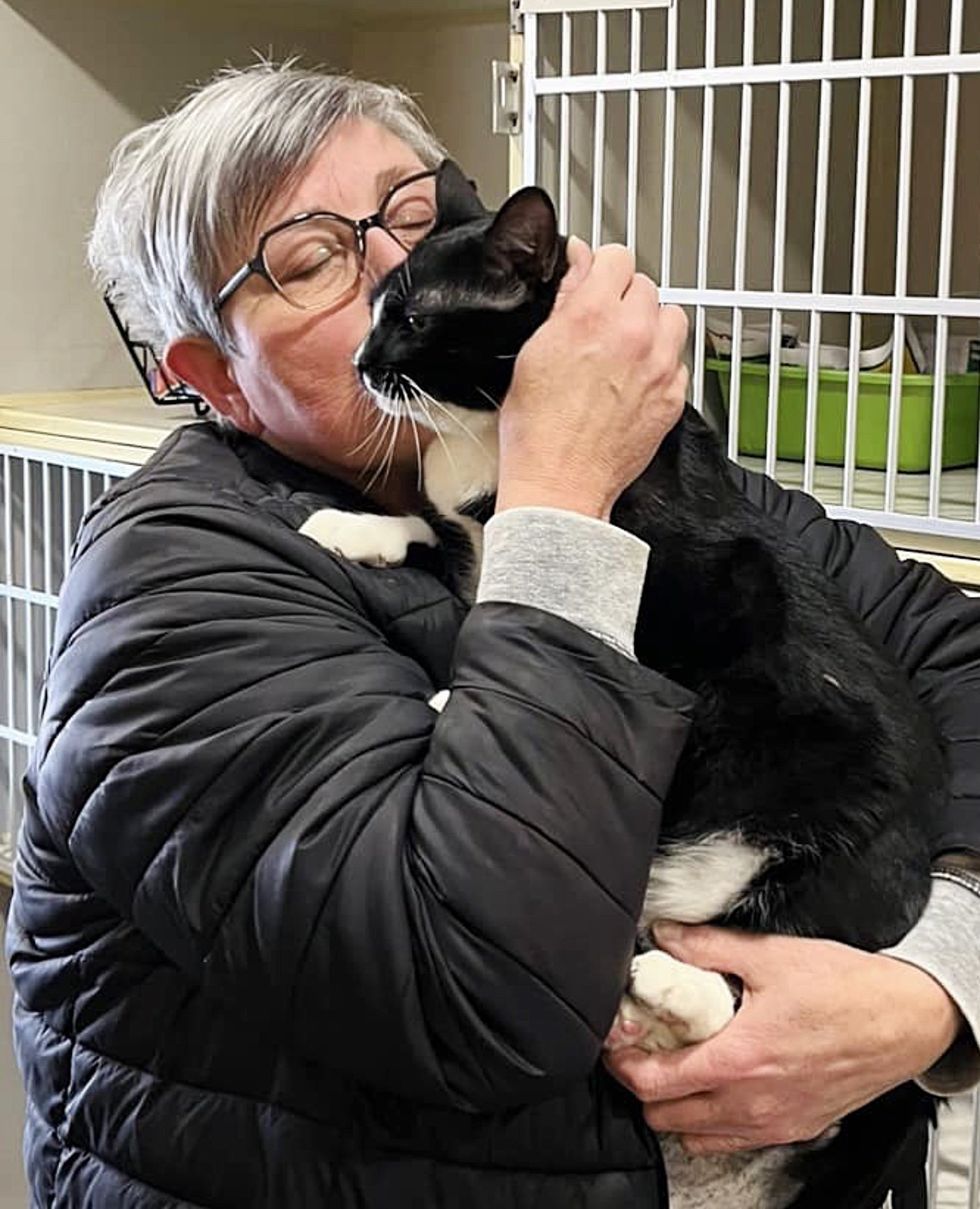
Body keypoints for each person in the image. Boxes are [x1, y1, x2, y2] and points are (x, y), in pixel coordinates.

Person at [6, 62, 980, 1209]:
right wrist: (557, 490)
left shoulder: (637, 459)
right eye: (312, 261)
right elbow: (473, 989)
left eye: (415, 219)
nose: (396, 272)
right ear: (215, 379)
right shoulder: (168, 591)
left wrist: (931, 989)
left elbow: (946, 660)